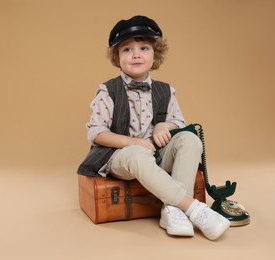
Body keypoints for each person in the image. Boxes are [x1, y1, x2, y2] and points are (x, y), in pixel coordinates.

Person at [77, 15, 230, 240]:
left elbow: (179, 123)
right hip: (121, 159)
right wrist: (131, 142)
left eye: (144, 48)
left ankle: (173, 212)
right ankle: (194, 209)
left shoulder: (165, 91)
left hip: (155, 155)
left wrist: (162, 124)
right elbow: (96, 133)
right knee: (138, 154)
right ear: (117, 57)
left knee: (191, 139)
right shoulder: (108, 90)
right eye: (127, 49)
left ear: (155, 54)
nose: (136, 54)